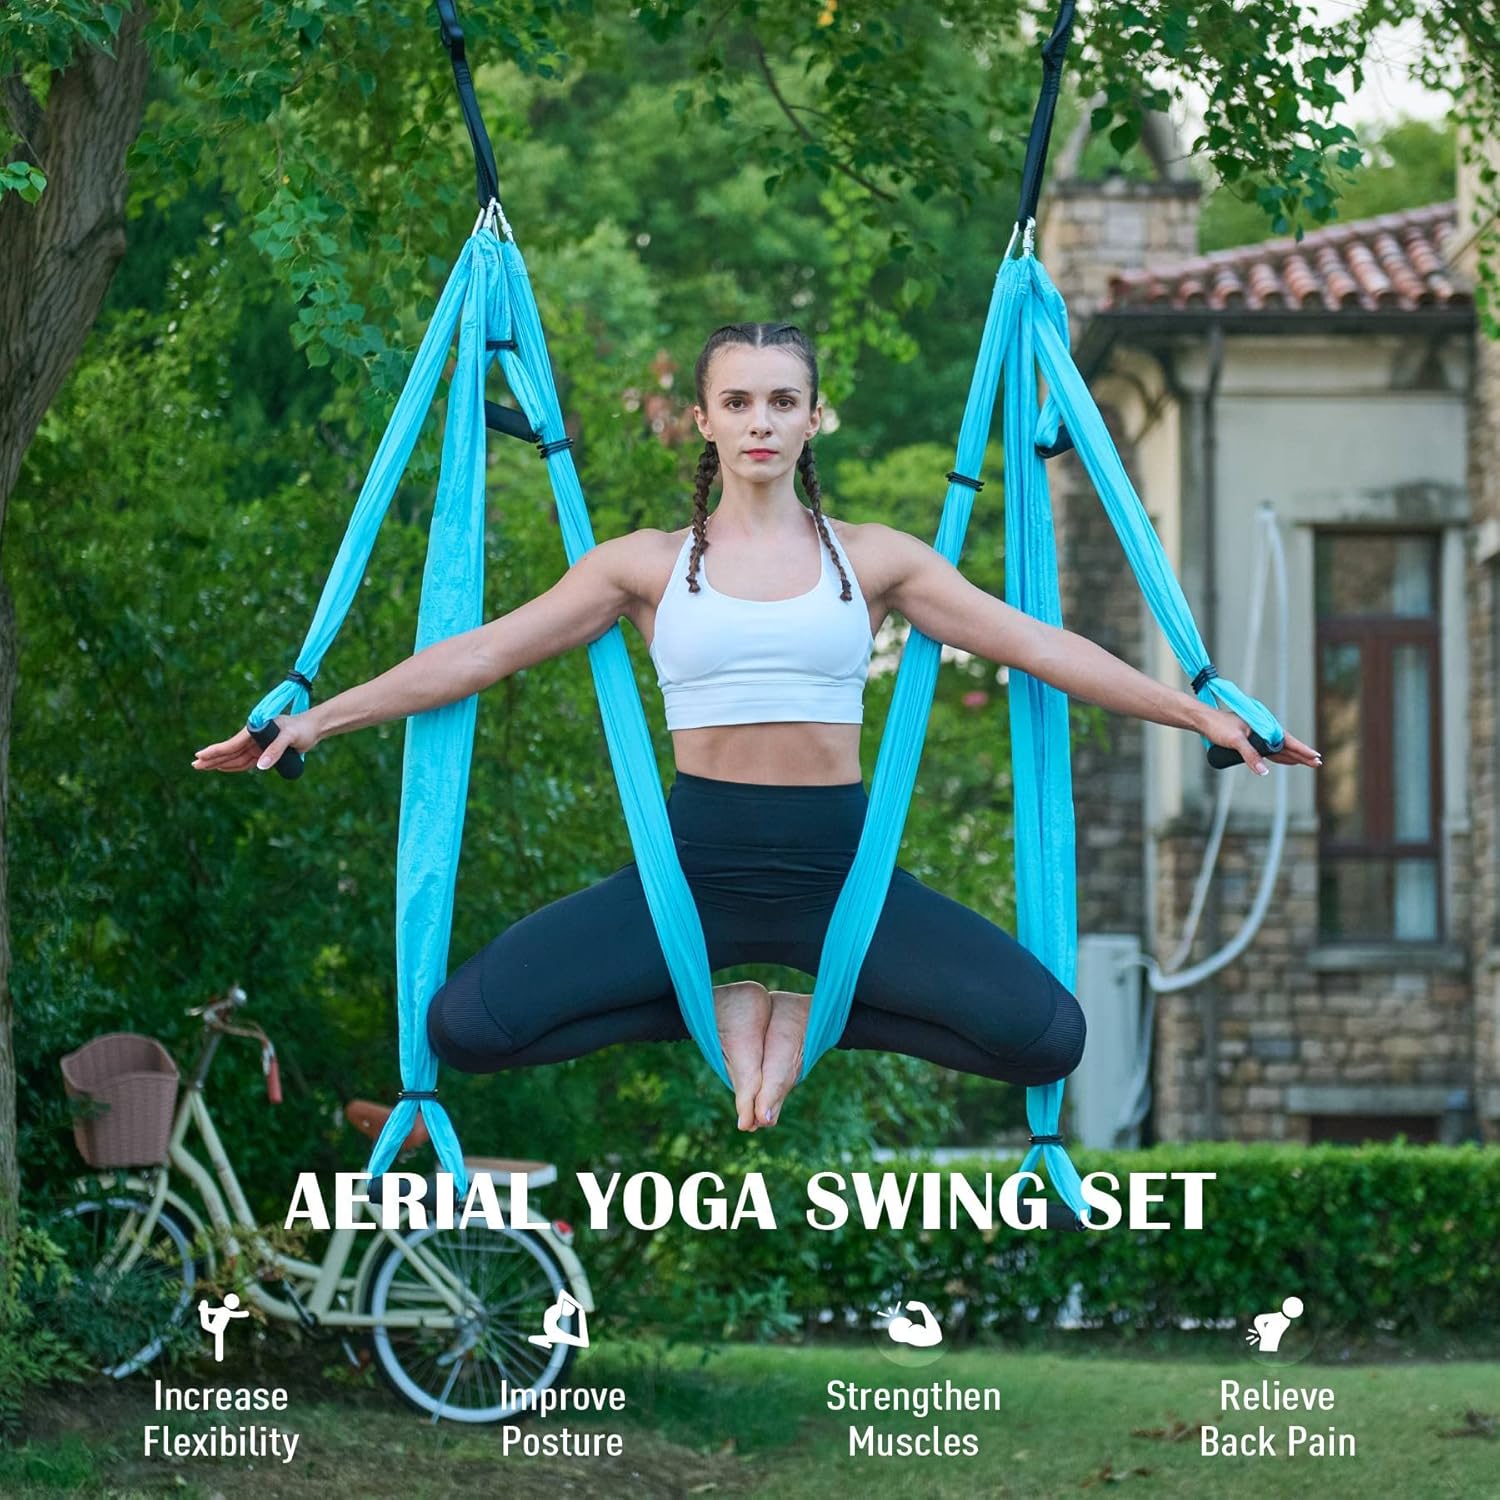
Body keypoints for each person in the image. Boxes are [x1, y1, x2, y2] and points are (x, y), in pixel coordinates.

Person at [194, 322, 1321, 1134]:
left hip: (845, 879)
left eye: (783, 399)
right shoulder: (639, 565)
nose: (761, 421)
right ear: (704, 420)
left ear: (812, 415)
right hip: (690, 872)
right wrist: (314, 717)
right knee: (469, 1030)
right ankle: (723, 998)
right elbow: (475, 656)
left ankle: (807, 1009)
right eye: (738, 401)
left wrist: (1201, 710)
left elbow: (1042, 649)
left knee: (1048, 1038)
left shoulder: (877, 559)